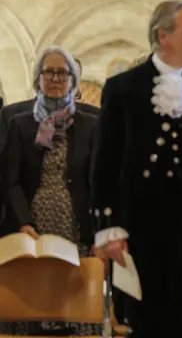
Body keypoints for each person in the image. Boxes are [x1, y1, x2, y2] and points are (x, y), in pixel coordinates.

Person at [90, 0, 182, 337]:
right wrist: (108, 226)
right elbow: (104, 162)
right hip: (137, 230)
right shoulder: (124, 88)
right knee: (140, 322)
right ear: (162, 36)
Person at [0, 46, 100, 336]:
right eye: (49, 72)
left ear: (73, 79)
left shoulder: (91, 125)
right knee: (33, 305)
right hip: (32, 230)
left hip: (76, 229)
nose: (56, 78)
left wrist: (98, 232)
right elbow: (10, 180)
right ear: (38, 78)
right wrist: (23, 222)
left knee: (74, 306)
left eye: (63, 72)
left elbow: (98, 182)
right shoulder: (19, 123)